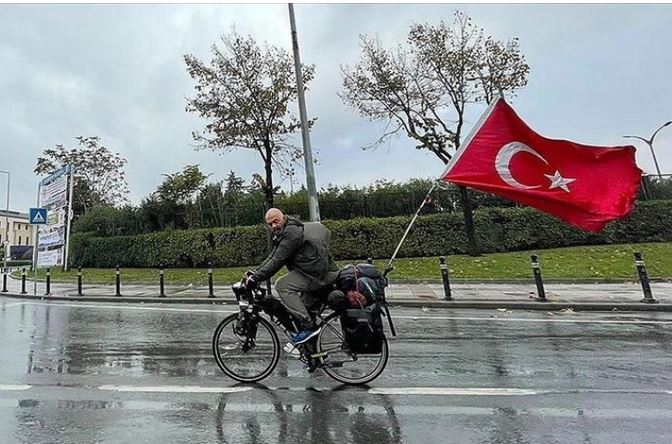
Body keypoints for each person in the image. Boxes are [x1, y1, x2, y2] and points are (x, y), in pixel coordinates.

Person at [245, 208, 339, 344]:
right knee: (303, 310)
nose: (273, 226)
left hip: (318, 275)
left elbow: (277, 261)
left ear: (283, 217)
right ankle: (314, 357)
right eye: (269, 224)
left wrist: (256, 278)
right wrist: (256, 272)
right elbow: (273, 256)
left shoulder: (291, 234)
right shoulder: (287, 230)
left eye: (276, 221)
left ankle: (309, 326)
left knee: (282, 285)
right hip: (314, 272)